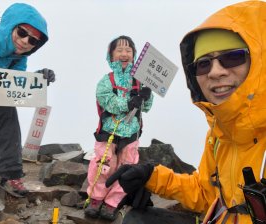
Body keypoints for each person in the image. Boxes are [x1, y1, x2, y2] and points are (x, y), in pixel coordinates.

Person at [106, 1, 266, 224]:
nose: (216, 72)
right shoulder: (220, 135)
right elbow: (205, 194)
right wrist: (151, 176)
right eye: (203, 64)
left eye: (233, 56)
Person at [0, 3, 55, 198]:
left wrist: (37, 81)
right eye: (22, 32)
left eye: (33, 40)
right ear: (9, 25)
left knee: (6, 110)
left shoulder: (18, 59)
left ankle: (7, 172)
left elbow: (10, 91)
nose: (25, 42)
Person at [84, 35, 154, 221]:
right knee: (103, 164)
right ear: (111, 54)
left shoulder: (140, 81)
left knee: (127, 168)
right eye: (120, 50)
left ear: (134, 55)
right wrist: (128, 103)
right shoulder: (107, 80)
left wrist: (147, 95)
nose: (124, 54)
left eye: (129, 50)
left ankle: (112, 203)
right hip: (109, 131)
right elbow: (106, 100)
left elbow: (146, 108)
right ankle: (96, 199)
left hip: (132, 133)